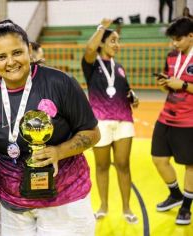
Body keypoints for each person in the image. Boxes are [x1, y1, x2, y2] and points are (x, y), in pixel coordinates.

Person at [0, 19, 100, 236]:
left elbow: (92, 133)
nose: (11, 62)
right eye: (1, 56)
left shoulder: (60, 83)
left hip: (65, 200)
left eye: (17, 52)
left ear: (29, 51)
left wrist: (58, 151)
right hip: (11, 205)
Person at [81, 18, 139, 224]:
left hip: (124, 120)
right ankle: (103, 206)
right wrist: (102, 28)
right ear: (102, 43)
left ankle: (127, 207)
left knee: (123, 165)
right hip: (101, 122)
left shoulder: (120, 67)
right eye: (113, 40)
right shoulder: (91, 64)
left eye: (118, 41)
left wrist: (133, 96)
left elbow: (125, 90)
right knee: (102, 166)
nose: (117, 44)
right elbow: (89, 48)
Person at [152, 17, 193, 225]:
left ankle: (186, 206)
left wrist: (183, 85)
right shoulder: (171, 56)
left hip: (189, 121)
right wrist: (164, 83)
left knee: (190, 165)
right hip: (167, 115)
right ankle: (175, 194)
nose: (174, 43)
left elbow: (182, 85)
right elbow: (170, 83)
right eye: (173, 39)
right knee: (158, 159)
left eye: (178, 39)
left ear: (191, 36)